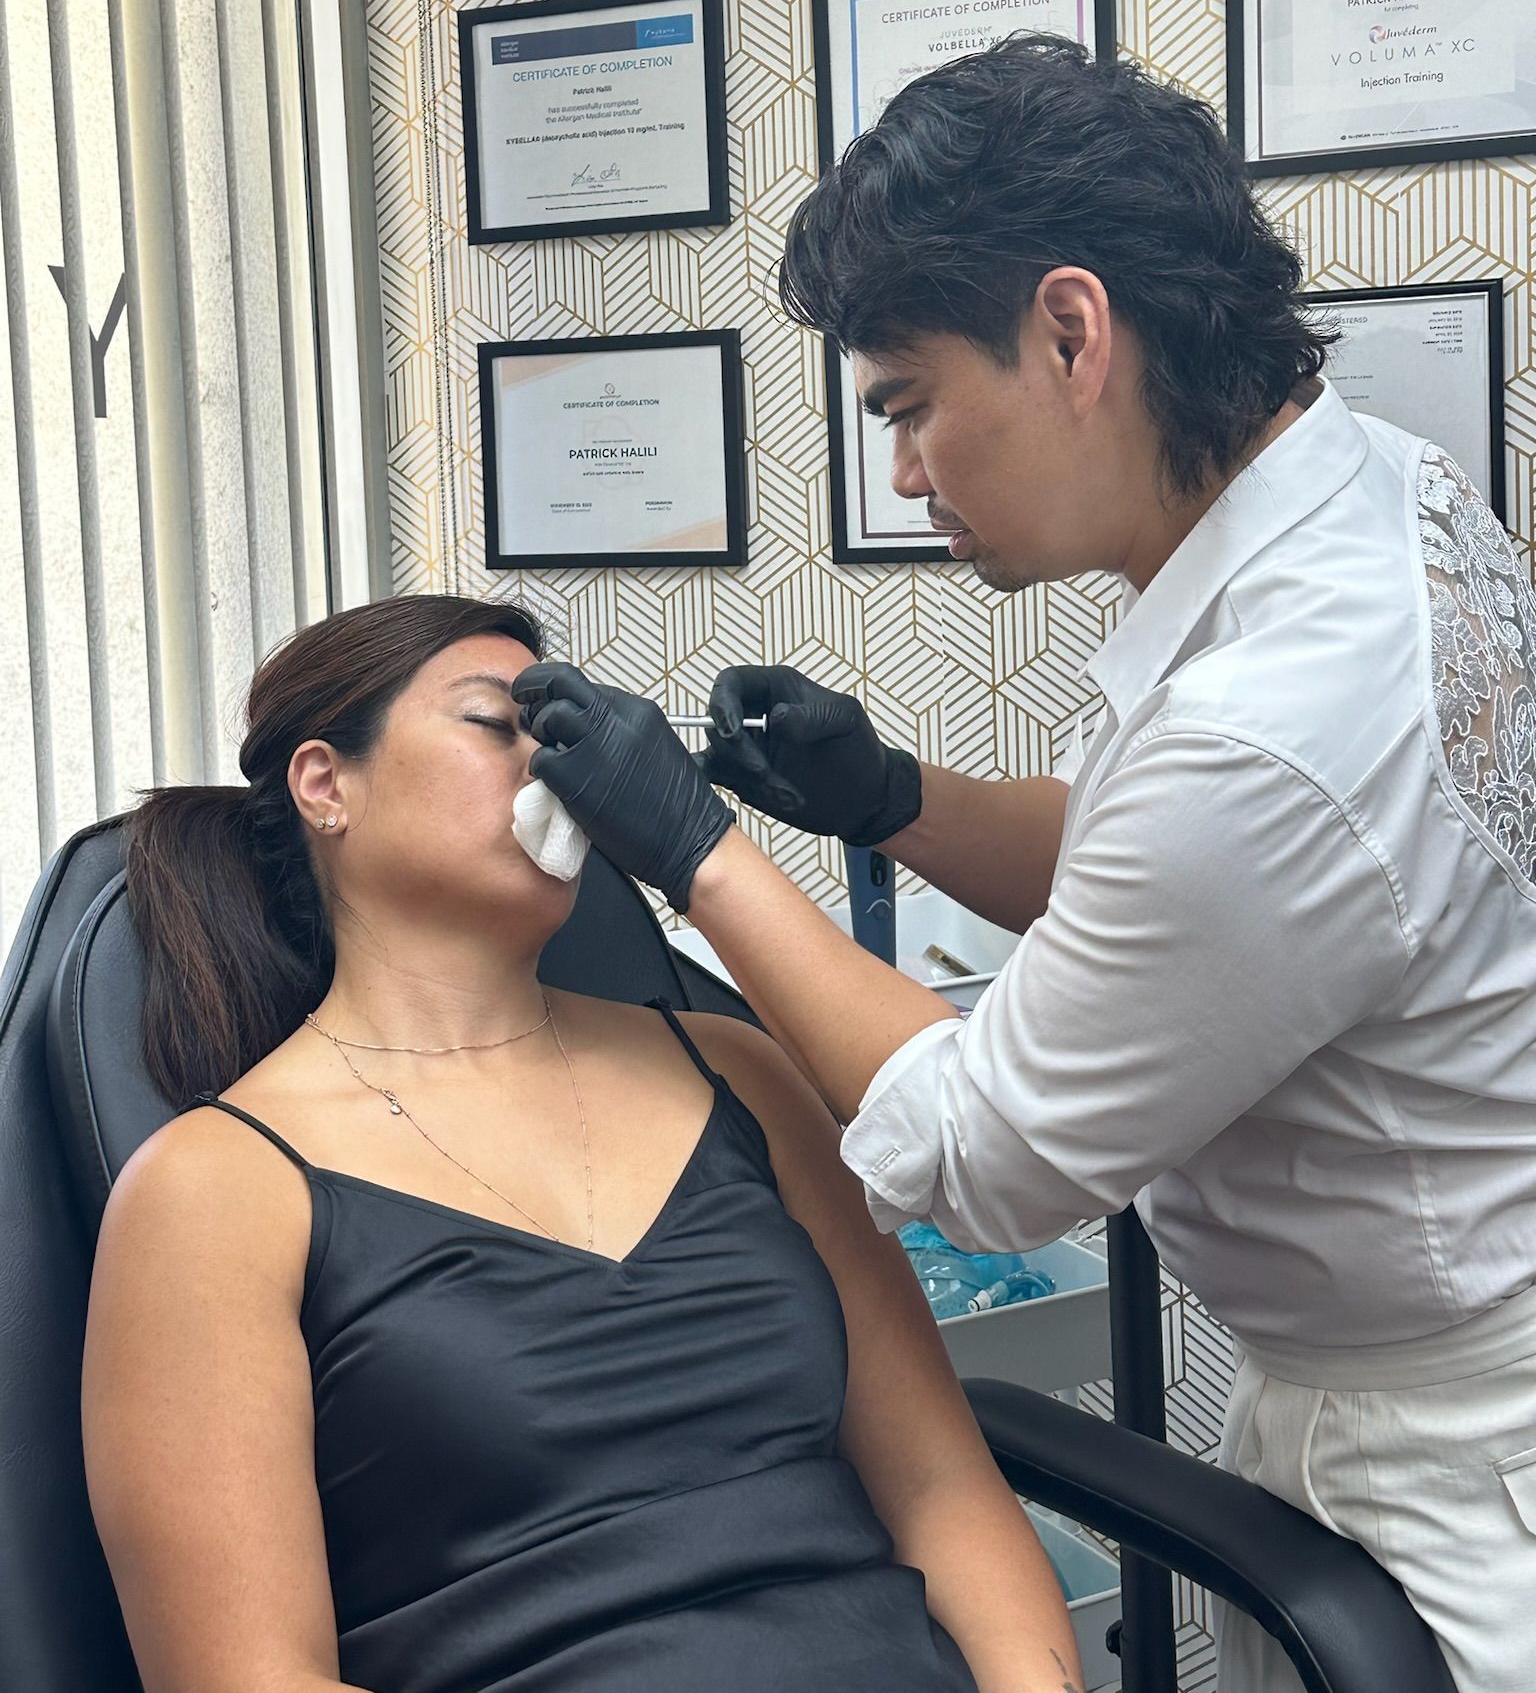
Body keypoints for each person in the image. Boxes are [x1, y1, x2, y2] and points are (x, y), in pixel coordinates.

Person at [512, 34, 1536, 1693]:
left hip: (1461, 1473)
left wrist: (699, 852)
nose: (905, 473)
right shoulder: (1359, 501)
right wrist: (891, 796)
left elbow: (986, 1154)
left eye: (910, 405)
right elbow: (1176, 891)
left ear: (1070, 330)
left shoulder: (1272, 717)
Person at [81, 593, 1081, 1693]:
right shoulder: (215, 1189)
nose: (555, 766)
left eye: (561, 731)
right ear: (327, 784)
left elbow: (941, 1485)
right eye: (494, 724)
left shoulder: (739, 1072)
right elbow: (248, 1676)